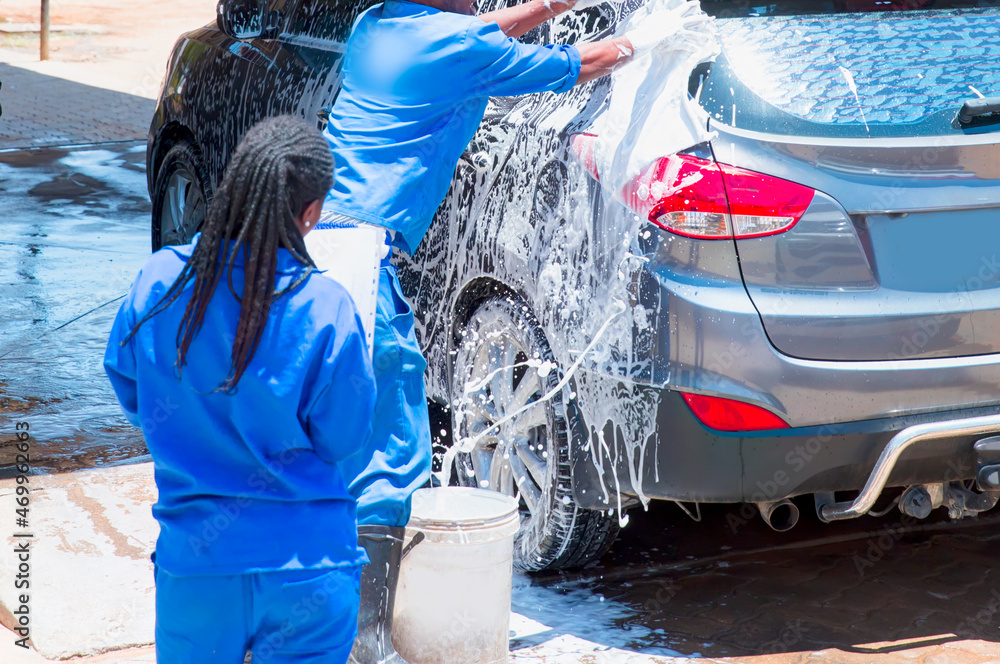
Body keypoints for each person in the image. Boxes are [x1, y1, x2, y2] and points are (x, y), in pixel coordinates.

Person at [320, 1, 715, 662]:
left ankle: (325, 614)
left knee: (331, 436)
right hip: (358, 261)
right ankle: (365, 639)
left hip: (313, 245)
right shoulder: (452, 48)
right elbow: (571, 67)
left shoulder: (380, 25)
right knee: (392, 452)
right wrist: (641, 42)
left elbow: (478, 32)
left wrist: (558, 5)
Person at [104, 115, 377, 664]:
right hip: (310, 567)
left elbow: (132, 391)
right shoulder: (327, 306)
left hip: (198, 569)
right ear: (310, 214)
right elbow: (345, 439)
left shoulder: (159, 282)